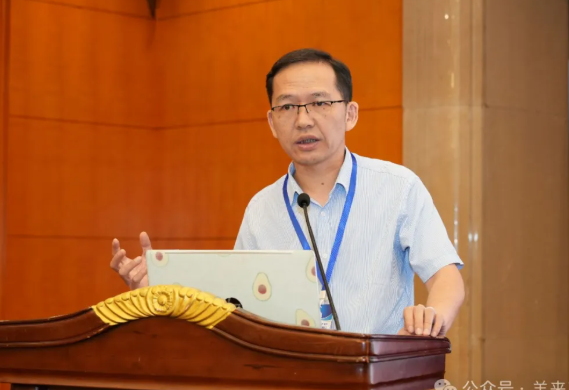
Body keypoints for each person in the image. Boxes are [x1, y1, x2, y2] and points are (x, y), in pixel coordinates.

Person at [110, 48, 465, 338]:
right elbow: (234, 310)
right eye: (287, 107)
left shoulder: (398, 187)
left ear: (350, 114)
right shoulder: (261, 209)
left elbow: (446, 277)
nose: (303, 120)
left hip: (378, 379)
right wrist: (156, 290)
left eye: (320, 103)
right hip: (292, 382)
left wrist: (430, 320)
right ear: (272, 122)